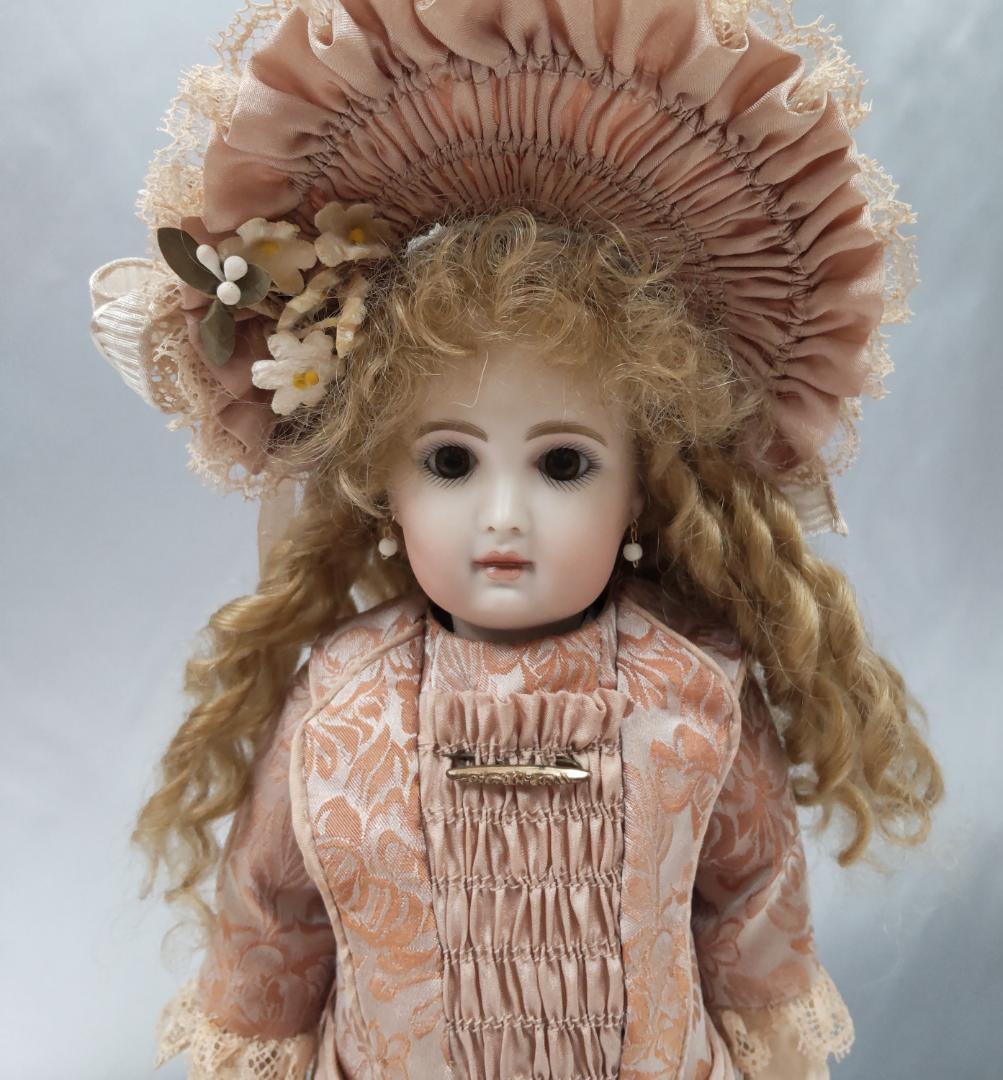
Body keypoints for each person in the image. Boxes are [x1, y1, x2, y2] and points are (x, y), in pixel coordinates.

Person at [89, 2, 943, 1077]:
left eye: (564, 465)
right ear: (382, 483)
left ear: (641, 488)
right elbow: (272, 926)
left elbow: (754, 919)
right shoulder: (339, 704)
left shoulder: (696, 694)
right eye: (450, 463)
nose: (503, 516)